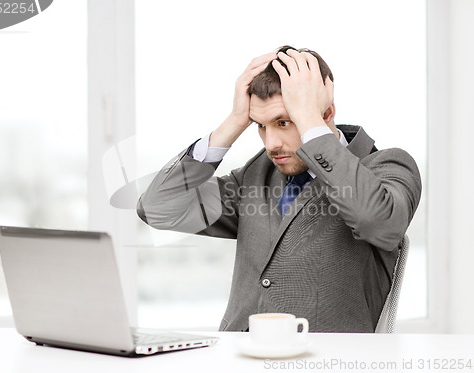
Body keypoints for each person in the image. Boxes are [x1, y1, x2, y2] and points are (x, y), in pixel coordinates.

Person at [137, 45, 422, 333]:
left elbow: (378, 222)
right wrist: (234, 122)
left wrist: (310, 121)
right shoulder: (258, 174)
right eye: (261, 126)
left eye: (284, 122)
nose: (271, 143)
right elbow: (159, 207)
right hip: (236, 357)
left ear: (326, 113)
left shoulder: (388, 165)